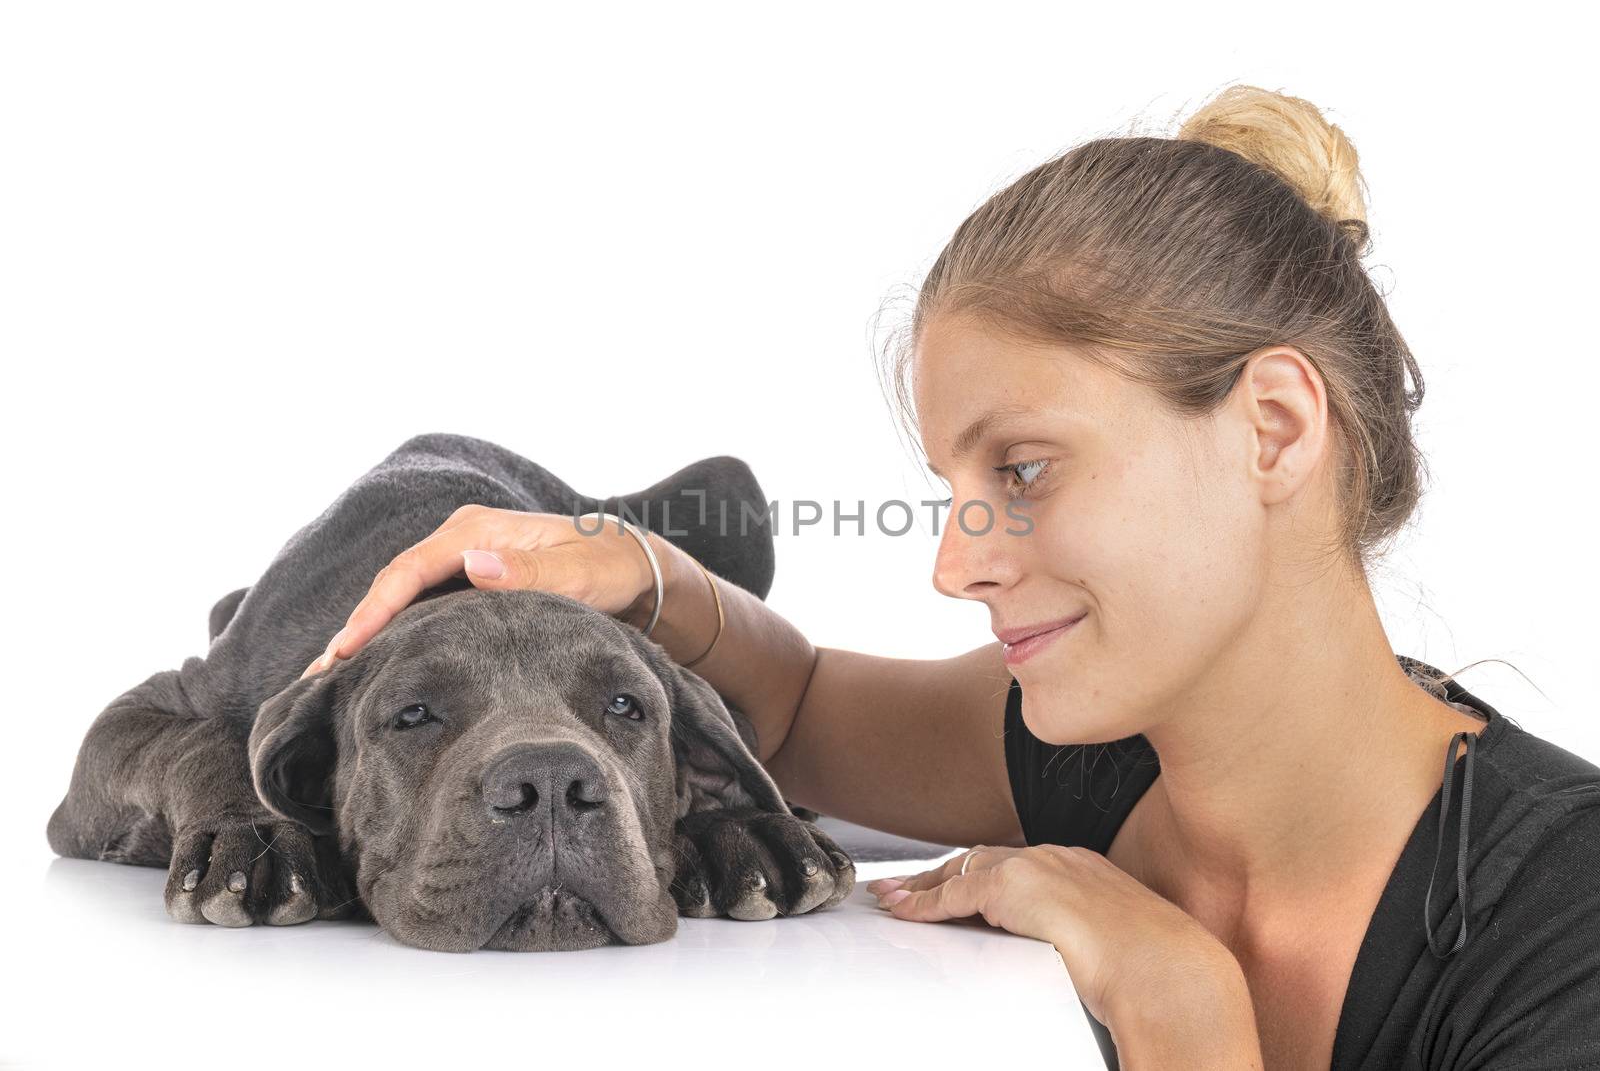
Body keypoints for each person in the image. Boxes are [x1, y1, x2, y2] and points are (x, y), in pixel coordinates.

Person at [299, 85, 1600, 1069]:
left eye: (1024, 472)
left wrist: (1183, 1013)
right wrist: (634, 570)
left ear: (1272, 430)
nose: (954, 562)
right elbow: (799, 709)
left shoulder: (1568, 929)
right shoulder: (1096, 750)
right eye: (953, 493)